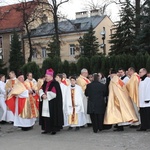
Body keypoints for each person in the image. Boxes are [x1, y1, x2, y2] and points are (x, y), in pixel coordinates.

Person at [39, 68, 64, 135]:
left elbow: (55, 93)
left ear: (50, 76)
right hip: (45, 102)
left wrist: (47, 95)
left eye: (46, 76)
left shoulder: (55, 83)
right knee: (45, 115)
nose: (45, 77)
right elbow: (41, 90)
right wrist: (42, 94)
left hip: (53, 103)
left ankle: (53, 129)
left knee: (52, 115)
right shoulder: (45, 83)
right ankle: (46, 129)